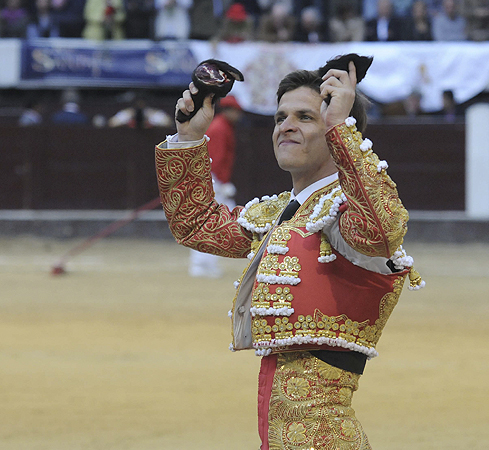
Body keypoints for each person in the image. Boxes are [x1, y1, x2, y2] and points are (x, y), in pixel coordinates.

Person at [155, 56, 424, 449]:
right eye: (280, 117)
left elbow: (382, 229)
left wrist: (339, 126)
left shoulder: (344, 210)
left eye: (305, 117)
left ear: (337, 128)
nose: (286, 126)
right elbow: (197, 225)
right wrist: (190, 136)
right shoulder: (285, 212)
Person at [188, 95, 243, 278]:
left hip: (212, 179)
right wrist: (222, 182)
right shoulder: (221, 128)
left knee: (213, 221)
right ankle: (201, 264)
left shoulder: (222, 126)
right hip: (213, 180)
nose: (238, 115)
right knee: (212, 221)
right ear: (228, 111)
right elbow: (217, 159)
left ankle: (206, 263)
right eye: (236, 111)